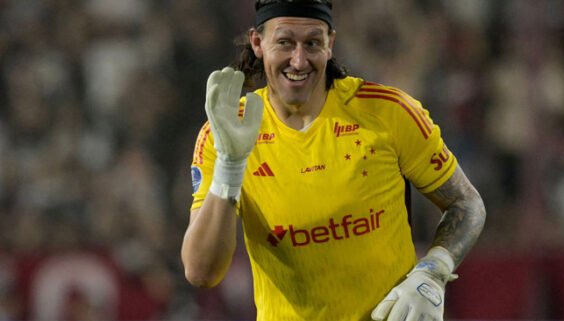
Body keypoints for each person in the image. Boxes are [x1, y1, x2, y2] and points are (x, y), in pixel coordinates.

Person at [181, 0, 486, 320]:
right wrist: (230, 166)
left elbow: (466, 203)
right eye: (284, 42)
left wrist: (433, 272)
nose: (298, 61)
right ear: (258, 43)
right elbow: (201, 273)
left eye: (312, 43)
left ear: (330, 45)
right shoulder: (227, 131)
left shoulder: (389, 113)